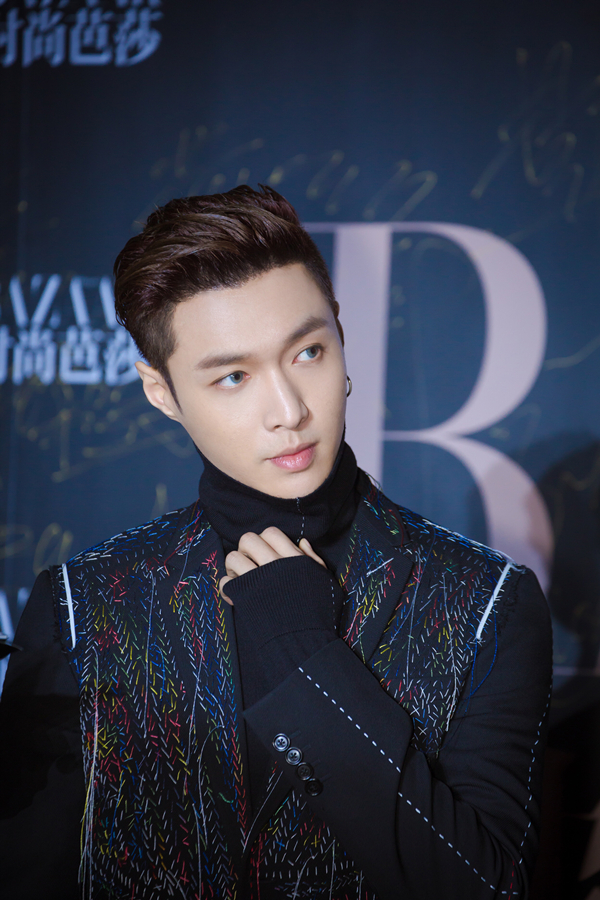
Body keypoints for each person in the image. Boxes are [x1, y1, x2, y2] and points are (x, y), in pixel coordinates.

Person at [0, 185, 552, 900]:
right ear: (161, 392)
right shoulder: (82, 606)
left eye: (308, 352)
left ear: (341, 336)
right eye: (233, 377)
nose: (289, 411)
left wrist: (305, 659)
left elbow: (488, 887)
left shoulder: (485, 603)